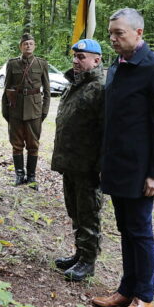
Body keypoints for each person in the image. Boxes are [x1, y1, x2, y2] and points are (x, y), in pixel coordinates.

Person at [92, 8, 154, 307]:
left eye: (120, 34)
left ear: (139, 33)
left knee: (140, 232)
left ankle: (146, 297)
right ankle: (126, 289)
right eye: (111, 33)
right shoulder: (118, 66)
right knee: (125, 230)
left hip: (141, 171)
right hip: (116, 165)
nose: (113, 39)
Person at [51, 39, 105, 281]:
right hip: (71, 162)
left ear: (97, 60)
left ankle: (88, 261)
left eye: (81, 56)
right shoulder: (75, 84)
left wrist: (101, 166)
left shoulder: (100, 88)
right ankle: (79, 254)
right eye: (74, 56)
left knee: (88, 213)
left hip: (88, 166)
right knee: (75, 211)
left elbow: (106, 130)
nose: (75, 60)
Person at [1, 33, 51, 189]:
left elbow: (47, 90)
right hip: (15, 109)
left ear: (34, 46)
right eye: (25, 44)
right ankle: (19, 175)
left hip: (35, 110)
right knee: (16, 145)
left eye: (31, 43)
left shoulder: (41, 64)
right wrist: (6, 111)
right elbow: (7, 88)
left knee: (33, 145)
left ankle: (31, 177)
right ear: (20, 47)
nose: (28, 46)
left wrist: (44, 111)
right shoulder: (12, 64)